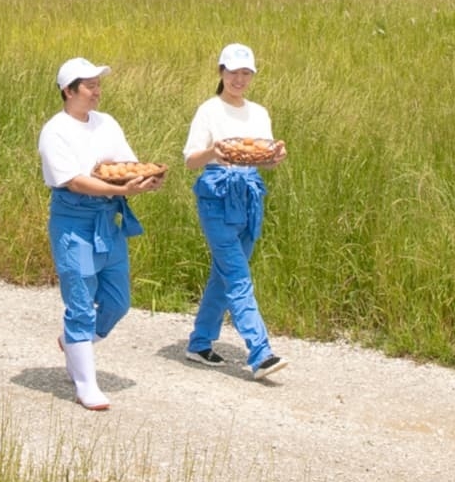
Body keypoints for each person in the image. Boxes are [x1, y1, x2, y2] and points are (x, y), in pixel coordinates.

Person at [39, 56, 162, 410]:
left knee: (118, 302)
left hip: (108, 220)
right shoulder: (55, 131)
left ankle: (73, 342)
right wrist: (119, 189)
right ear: (68, 91)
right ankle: (85, 385)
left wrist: (143, 180)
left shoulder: (107, 122)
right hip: (73, 221)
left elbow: (124, 165)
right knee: (80, 303)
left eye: (98, 85)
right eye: (89, 86)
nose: (96, 92)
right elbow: (74, 181)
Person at [182, 42, 289, 380]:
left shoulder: (259, 113)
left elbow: (262, 157)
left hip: (250, 195)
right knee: (238, 275)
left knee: (224, 272)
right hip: (216, 195)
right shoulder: (209, 110)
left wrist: (275, 158)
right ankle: (260, 352)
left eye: (246, 73)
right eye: (233, 72)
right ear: (221, 72)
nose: (239, 80)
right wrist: (213, 153)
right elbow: (190, 160)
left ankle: (200, 342)